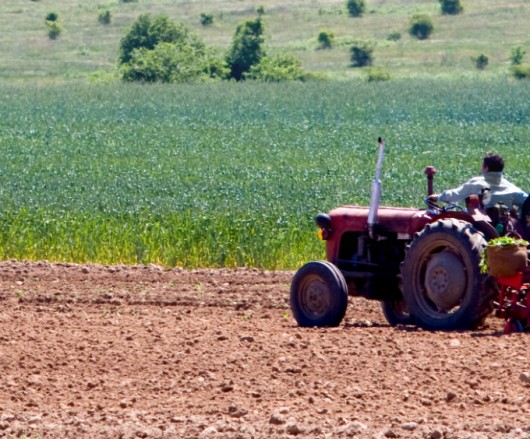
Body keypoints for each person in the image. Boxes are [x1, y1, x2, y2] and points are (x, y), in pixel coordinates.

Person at [428, 152, 528, 210]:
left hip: (481, 224)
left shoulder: (477, 183)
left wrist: (439, 197)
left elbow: (455, 194)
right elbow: (527, 200)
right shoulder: (511, 187)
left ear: (485, 167)